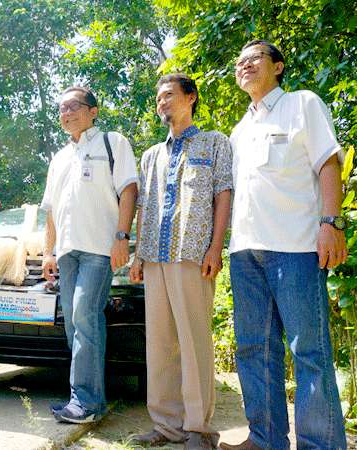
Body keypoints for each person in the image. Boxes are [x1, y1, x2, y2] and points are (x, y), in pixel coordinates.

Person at [219, 40, 348, 450]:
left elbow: (329, 162)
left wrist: (331, 222)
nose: (244, 66)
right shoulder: (239, 130)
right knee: (255, 351)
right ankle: (265, 439)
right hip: (245, 253)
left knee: (309, 351)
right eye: (239, 62)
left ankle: (320, 445)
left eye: (253, 59)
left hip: (295, 248)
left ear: (277, 66)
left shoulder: (302, 104)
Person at [129, 74, 233, 449]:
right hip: (155, 257)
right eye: (158, 98)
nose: (162, 103)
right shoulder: (151, 155)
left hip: (193, 256)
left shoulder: (215, 143)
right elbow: (144, 208)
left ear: (190, 98)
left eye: (169, 95)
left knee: (194, 342)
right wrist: (138, 255)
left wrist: (215, 247)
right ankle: (166, 426)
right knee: (159, 345)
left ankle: (198, 429)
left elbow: (224, 195)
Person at [41, 86, 139, 424]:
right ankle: (83, 398)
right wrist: (48, 252)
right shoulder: (59, 157)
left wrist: (122, 237)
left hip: (99, 248)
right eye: (62, 108)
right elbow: (51, 209)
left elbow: (129, 189)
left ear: (93, 111)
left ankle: (87, 401)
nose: (67, 113)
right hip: (67, 253)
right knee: (75, 324)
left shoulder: (112, 143)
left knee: (85, 316)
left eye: (74, 106)